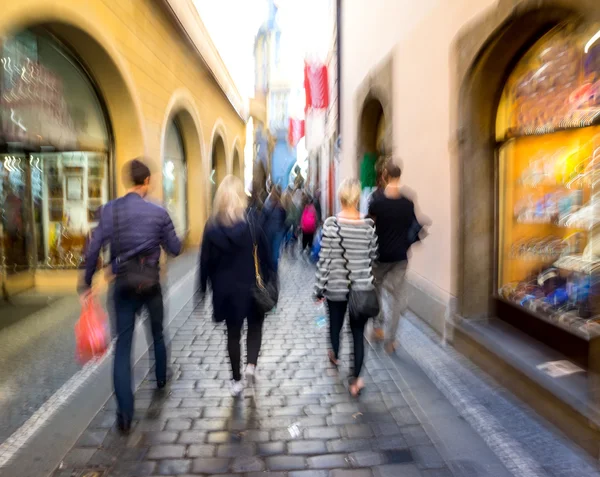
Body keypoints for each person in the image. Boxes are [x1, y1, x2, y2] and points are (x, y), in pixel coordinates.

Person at [81, 158, 182, 433]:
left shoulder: (110, 211)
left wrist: (86, 283)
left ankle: (124, 415)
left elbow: (92, 250)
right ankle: (160, 378)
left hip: (123, 285)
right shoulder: (158, 212)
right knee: (158, 333)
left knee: (123, 347)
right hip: (150, 283)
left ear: (129, 181)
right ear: (147, 181)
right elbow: (175, 247)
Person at [199, 175, 273, 397]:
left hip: (225, 292)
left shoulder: (211, 228)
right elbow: (267, 256)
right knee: (255, 327)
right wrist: (269, 278)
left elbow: (204, 263)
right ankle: (251, 365)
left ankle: (236, 381)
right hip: (250, 288)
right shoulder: (252, 224)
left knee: (232, 335)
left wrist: (202, 290)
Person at [314, 179, 378, 397]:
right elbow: (373, 256)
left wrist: (319, 288)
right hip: (360, 290)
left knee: (335, 325)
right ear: (357, 198)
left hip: (336, 288)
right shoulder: (368, 225)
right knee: (358, 334)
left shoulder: (331, 224)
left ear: (341, 198)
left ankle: (335, 354)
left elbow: (325, 260)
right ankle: (356, 381)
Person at [368, 159, 425, 353]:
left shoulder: (377, 201)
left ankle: (377, 327)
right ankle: (391, 341)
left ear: (384, 176)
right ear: (399, 176)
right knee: (397, 298)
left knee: (375, 290)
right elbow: (414, 225)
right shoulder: (408, 202)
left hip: (379, 256)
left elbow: (370, 226)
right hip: (400, 257)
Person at [262, 185, 287, 271]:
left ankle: (271, 271)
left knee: (271, 253)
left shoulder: (268, 204)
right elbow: (284, 218)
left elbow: (264, 216)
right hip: (275, 232)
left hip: (270, 231)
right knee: (273, 253)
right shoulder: (280, 205)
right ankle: (273, 272)